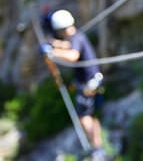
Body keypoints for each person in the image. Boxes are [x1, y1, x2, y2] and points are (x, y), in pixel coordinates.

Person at [45, 9, 106, 160]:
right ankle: (98, 148)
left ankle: (97, 149)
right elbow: (68, 45)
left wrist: (52, 53)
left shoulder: (76, 38)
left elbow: (73, 55)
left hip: (88, 84)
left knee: (84, 117)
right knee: (91, 115)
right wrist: (54, 45)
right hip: (94, 80)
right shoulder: (77, 37)